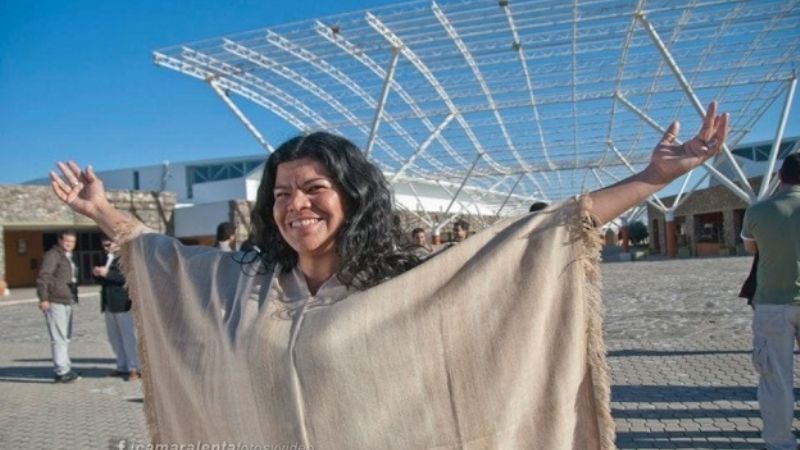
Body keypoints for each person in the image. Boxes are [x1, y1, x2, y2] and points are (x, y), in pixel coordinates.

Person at [48, 103, 727, 447]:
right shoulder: (245, 284)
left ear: (351, 195)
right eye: (281, 195)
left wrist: (648, 179)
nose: (295, 206)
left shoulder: (405, 283)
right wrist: (102, 210)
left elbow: (533, 239)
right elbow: (168, 263)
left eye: (313, 189)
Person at [741, 153, 800, 450]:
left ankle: (780, 442)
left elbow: (753, 248)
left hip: (772, 304)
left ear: (780, 176)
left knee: (775, 378)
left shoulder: (757, 211)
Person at [93, 236, 140, 381]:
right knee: (114, 337)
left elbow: (128, 277)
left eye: (109, 245)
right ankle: (122, 366)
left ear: (117, 243)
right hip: (108, 303)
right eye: (104, 246)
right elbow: (102, 280)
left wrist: (108, 274)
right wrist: (97, 274)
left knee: (128, 337)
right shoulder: (104, 258)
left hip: (122, 303)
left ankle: (135, 368)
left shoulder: (126, 257)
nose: (107, 248)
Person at [36, 230, 80, 383]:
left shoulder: (67, 256)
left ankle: (65, 366)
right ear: (60, 241)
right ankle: (61, 371)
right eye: (67, 241)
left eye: (72, 242)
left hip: (67, 300)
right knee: (59, 337)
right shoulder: (53, 255)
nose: (69, 244)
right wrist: (44, 298)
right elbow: (44, 277)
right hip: (55, 301)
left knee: (65, 337)